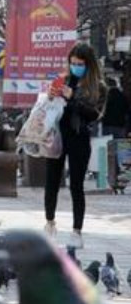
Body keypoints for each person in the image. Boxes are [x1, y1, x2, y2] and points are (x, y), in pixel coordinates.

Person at [44, 43, 106, 248]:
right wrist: (50, 96)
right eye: (72, 63)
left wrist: (72, 98)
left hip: (79, 138)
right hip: (57, 136)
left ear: (89, 65)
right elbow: (50, 107)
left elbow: (93, 114)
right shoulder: (64, 80)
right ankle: (50, 223)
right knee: (51, 181)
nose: (75, 67)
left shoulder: (98, 87)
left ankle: (77, 231)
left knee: (76, 185)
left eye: (80, 64)